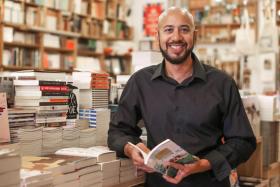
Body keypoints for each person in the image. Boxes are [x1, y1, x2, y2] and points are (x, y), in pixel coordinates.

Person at [108, 7, 256, 187]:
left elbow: (243, 141)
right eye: (168, 29)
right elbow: (118, 131)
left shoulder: (222, 83)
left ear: (195, 35)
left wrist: (203, 164)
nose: (176, 37)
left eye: (184, 29)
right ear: (158, 37)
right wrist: (131, 149)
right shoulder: (140, 82)